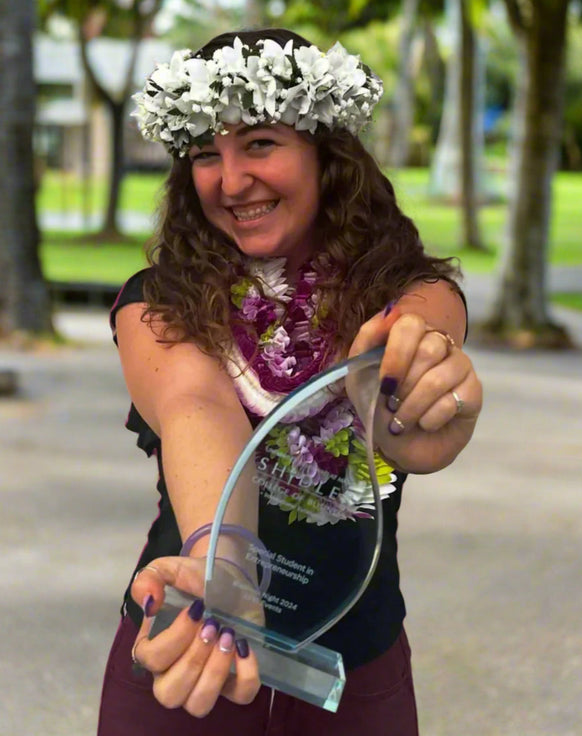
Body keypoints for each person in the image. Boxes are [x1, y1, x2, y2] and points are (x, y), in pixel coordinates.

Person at [97, 28, 482, 736]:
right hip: (193, 646)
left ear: (327, 153)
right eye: (207, 154)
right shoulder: (159, 300)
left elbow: (419, 339)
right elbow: (195, 404)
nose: (231, 179)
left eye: (261, 144)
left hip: (352, 676)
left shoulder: (407, 294)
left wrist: (423, 395)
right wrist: (227, 567)